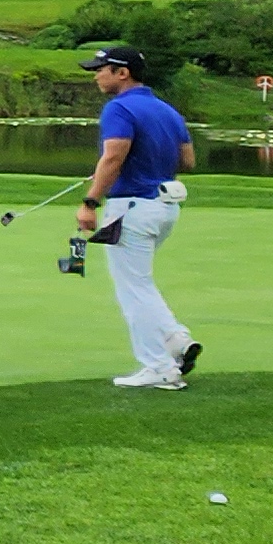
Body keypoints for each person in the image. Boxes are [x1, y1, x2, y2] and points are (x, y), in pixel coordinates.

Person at [76, 46, 203, 390]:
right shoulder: (167, 110)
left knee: (133, 290)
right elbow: (187, 161)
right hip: (164, 207)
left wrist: (89, 202)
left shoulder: (118, 108)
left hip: (130, 208)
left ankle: (160, 367)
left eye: (101, 69)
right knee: (140, 283)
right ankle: (176, 341)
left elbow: (113, 157)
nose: (96, 75)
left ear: (123, 73)